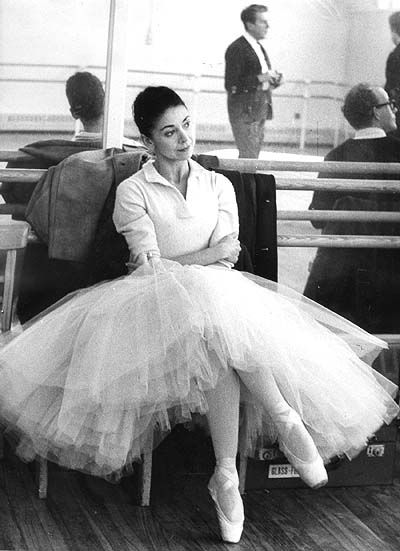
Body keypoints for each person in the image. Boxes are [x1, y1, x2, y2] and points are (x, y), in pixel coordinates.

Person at [0, 86, 398, 545]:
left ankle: (226, 477)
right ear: (149, 143)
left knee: (215, 330)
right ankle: (282, 417)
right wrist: (205, 255)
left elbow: (228, 259)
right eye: (170, 132)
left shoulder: (217, 184)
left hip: (219, 302)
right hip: (151, 310)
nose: (184, 138)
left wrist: (199, 260)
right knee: (212, 316)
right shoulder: (133, 191)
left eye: (186, 125)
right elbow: (151, 266)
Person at [304, 83, 400, 332]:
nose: (394, 109)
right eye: (389, 104)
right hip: (392, 266)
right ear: (377, 113)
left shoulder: (335, 156)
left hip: (344, 272)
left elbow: (318, 217)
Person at [224, 4, 283, 159]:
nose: (267, 26)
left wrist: (274, 80)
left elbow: (261, 78)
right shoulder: (237, 48)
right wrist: (261, 78)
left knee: (252, 155)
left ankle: (247, 182)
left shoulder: (258, 47)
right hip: (245, 109)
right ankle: (245, 183)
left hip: (259, 106)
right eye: (263, 22)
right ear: (250, 25)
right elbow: (231, 84)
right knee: (249, 154)